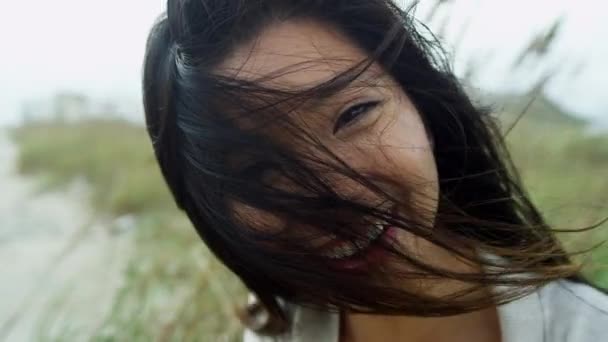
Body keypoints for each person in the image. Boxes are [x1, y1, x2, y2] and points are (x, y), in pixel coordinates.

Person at [142, 1, 608, 341]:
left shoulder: (587, 327)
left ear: (420, 103)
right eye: (260, 170)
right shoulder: (278, 329)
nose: (339, 200)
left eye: (354, 114)